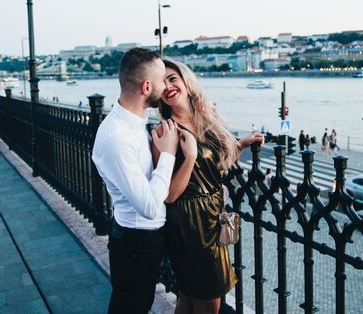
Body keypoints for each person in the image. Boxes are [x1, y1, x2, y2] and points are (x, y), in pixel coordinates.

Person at [153, 59, 264, 314]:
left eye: (173, 78)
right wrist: (190, 157)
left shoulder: (205, 117)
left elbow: (214, 165)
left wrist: (241, 144)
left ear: (185, 80)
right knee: (209, 299)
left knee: (190, 295)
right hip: (189, 222)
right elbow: (169, 195)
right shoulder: (165, 131)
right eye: (162, 82)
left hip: (215, 210)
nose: (169, 86)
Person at [91, 48, 180, 314]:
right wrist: (168, 153)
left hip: (142, 238)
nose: (166, 86)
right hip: (136, 241)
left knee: (137, 305)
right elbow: (149, 205)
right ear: (146, 86)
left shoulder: (135, 123)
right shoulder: (117, 137)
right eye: (163, 80)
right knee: (131, 307)